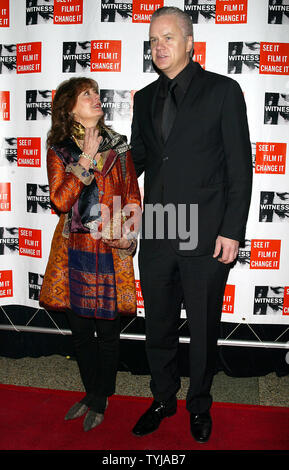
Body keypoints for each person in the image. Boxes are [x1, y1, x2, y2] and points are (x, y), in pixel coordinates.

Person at [130, 7, 252, 443]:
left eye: (167, 37)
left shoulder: (223, 90)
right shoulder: (143, 99)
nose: (158, 46)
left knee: (203, 329)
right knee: (158, 325)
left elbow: (241, 167)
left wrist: (232, 230)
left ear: (189, 43)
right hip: (160, 231)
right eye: (153, 39)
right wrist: (97, 156)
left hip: (207, 235)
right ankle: (163, 398)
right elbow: (138, 163)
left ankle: (199, 404)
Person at [40, 77, 141, 432]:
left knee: (109, 331)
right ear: (70, 107)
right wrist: (85, 158)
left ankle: (100, 398)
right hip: (75, 249)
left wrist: (130, 235)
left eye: (96, 94)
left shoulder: (119, 146)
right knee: (81, 331)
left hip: (110, 250)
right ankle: (92, 392)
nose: (96, 99)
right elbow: (61, 200)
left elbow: (132, 196)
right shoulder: (61, 150)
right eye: (87, 94)